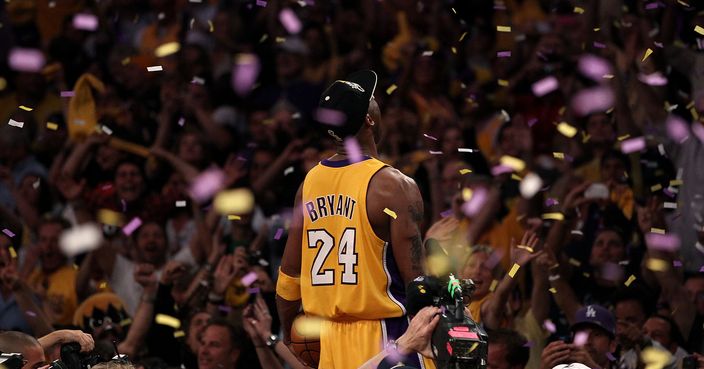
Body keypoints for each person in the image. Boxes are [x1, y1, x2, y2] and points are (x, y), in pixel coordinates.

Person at [276, 70, 432, 369]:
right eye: (372, 99)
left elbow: (288, 278)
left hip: (328, 341)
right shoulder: (394, 186)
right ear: (369, 120)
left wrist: (288, 333)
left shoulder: (309, 184)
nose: (377, 101)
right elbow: (417, 282)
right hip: (387, 338)